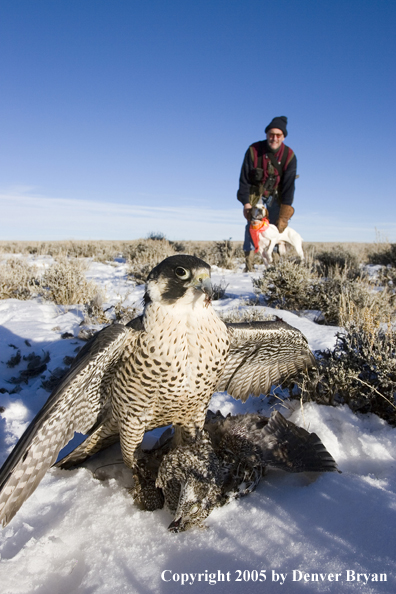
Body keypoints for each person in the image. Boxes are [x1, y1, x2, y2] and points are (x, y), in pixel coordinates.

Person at [237, 116, 297, 271]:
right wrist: (246, 204)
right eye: (271, 134)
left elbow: (289, 186)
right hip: (255, 194)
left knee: (277, 227)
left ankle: (275, 264)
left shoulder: (289, 156)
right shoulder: (253, 150)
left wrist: (284, 214)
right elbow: (244, 180)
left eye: (278, 135)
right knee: (252, 226)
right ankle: (249, 265)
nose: (274, 138)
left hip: (277, 195)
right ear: (266, 134)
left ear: (283, 137)